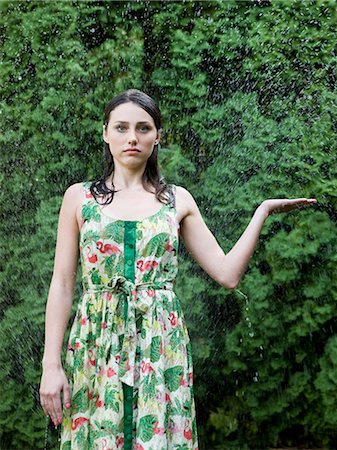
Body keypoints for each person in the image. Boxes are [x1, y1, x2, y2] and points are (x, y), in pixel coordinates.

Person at [39, 89, 317, 450]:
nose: (132, 137)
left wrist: (262, 211)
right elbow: (62, 284)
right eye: (121, 128)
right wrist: (51, 364)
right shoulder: (78, 197)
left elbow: (227, 274)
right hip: (97, 339)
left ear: (157, 137)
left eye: (143, 128)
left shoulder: (176, 200)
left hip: (160, 342)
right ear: (105, 132)